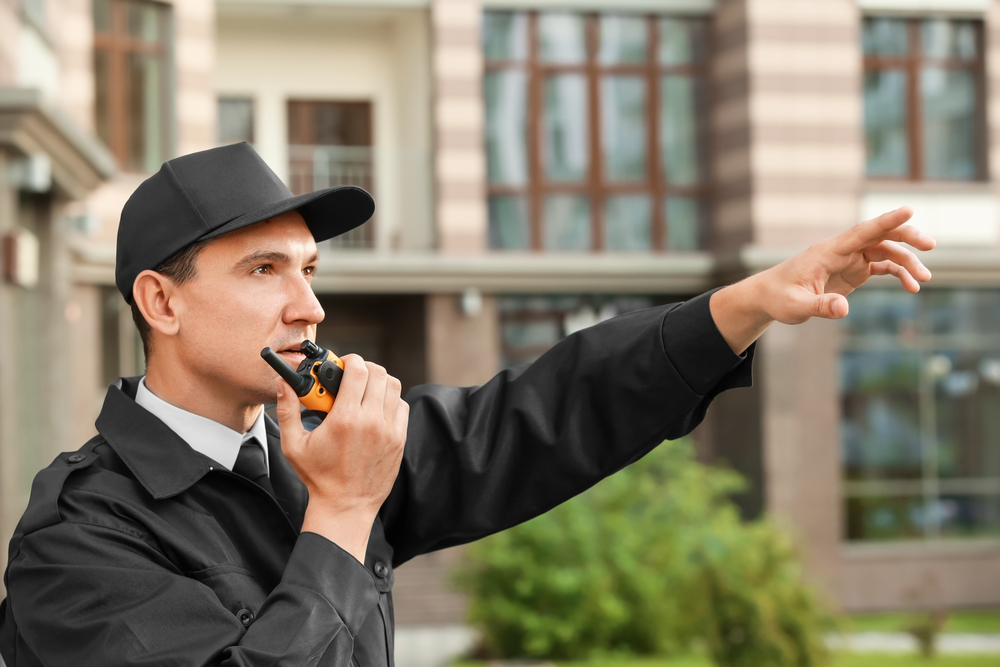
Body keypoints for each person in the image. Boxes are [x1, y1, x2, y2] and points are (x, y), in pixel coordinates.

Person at [0, 143, 935, 666]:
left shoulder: (307, 442)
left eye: (310, 270)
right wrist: (344, 512)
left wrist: (745, 304)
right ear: (160, 302)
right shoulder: (78, 537)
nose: (309, 305)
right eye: (264, 270)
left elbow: (533, 417)